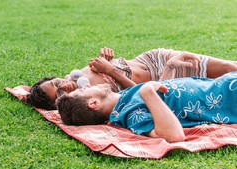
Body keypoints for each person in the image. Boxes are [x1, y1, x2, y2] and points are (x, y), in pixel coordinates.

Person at [26, 48, 237, 110]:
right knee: (226, 83)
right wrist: (112, 71)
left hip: (154, 58)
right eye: (60, 93)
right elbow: (143, 93)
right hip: (167, 78)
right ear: (60, 103)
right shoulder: (91, 97)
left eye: (56, 83)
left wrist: (108, 59)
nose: (64, 86)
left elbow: (113, 64)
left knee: (228, 67)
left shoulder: (79, 75)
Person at [56, 72, 237, 143]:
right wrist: (148, 91)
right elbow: (174, 135)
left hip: (223, 84)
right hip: (230, 96)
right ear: (94, 103)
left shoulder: (124, 98)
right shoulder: (129, 114)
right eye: (83, 91)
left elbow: (165, 95)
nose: (86, 86)